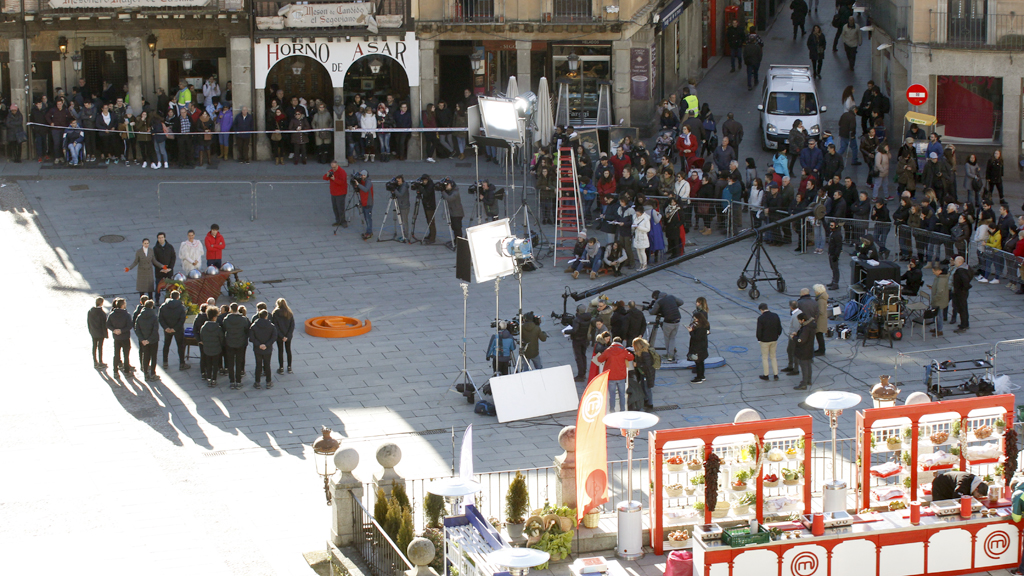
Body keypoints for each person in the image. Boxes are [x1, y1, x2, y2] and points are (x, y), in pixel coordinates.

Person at [597, 336, 633, 412]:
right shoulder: (623, 350)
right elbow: (631, 357)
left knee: (612, 395)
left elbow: (599, 359)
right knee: (622, 395)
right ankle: (622, 410)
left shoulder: (608, 350)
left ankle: (612, 410)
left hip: (610, 376)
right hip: (621, 376)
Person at [158, 290, 190, 370]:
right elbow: (182, 320)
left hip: (167, 330)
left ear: (170, 297)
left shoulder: (163, 306)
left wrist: (166, 328)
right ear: (178, 297)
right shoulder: (181, 307)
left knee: (166, 345)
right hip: (178, 330)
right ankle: (182, 363)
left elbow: (160, 318)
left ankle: (165, 362)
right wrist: (175, 328)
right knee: (180, 346)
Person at [221, 303, 250, 389]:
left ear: (230, 309)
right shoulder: (244, 319)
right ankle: (238, 381)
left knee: (230, 362)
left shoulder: (226, 319)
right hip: (240, 343)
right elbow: (247, 330)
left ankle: (231, 381)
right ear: (237, 309)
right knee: (239, 362)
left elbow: (224, 329)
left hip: (229, 343)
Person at [649, 290, 682, 363]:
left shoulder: (659, 301)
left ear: (655, 297)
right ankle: (671, 354)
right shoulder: (671, 297)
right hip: (677, 320)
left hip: (668, 322)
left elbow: (652, 312)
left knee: (667, 338)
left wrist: (649, 308)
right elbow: (681, 302)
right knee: (672, 338)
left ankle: (669, 355)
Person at [249, 309, 278, 389]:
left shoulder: (254, 326)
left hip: (257, 349)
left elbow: (251, 338)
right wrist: (267, 344)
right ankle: (268, 382)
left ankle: (257, 382)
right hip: (267, 349)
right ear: (266, 316)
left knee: (258, 365)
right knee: (267, 365)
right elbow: (274, 337)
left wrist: (259, 345)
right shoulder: (271, 326)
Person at [106, 297, 134, 376]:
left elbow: (108, 324)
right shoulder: (126, 315)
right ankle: (126, 371)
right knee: (126, 355)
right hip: (125, 337)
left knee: (116, 355)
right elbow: (129, 326)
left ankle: (115, 371)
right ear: (122, 305)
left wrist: (114, 330)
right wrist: (121, 330)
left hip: (117, 338)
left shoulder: (112, 314)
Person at [134, 300, 160, 382]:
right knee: (153, 356)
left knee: (145, 357)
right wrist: (149, 340)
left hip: (144, 341)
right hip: (153, 340)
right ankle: (153, 373)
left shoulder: (139, 316)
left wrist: (142, 339)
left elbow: (137, 329)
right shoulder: (154, 317)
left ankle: (146, 373)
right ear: (151, 306)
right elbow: (155, 330)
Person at [756, 303, 782, 380]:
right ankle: (775, 374)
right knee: (773, 357)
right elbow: (779, 328)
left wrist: (759, 339)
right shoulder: (775, 315)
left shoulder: (761, 318)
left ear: (761, 310)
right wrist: (777, 335)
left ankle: (766, 375)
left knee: (765, 358)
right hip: (774, 339)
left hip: (764, 341)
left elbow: (759, 331)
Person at [199, 307, 224, 387]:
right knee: (215, 365)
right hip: (216, 349)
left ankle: (209, 378)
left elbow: (202, 337)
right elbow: (221, 338)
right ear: (214, 317)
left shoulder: (203, 327)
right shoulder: (218, 328)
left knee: (208, 364)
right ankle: (214, 379)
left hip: (207, 349)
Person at [686, 307, 709, 384]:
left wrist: (690, 332)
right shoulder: (704, 325)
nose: (694, 319)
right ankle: (701, 376)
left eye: (695, 318)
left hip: (698, 348)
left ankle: (699, 377)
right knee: (701, 363)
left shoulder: (700, 328)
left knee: (698, 363)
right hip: (702, 347)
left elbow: (696, 338)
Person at [272, 298, 295, 375]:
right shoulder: (289, 312)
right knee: (288, 350)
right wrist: (287, 335)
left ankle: (281, 368)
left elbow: (275, 326)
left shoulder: (275, 313)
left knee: (280, 351)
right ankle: (289, 367)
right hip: (288, 336)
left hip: (279, 336)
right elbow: (292, 325)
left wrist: (281, 336)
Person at [632, 337, 656, 410]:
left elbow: (647, 365)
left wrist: (637, 364)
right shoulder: (641, 351)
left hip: (647, 373)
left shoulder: (645, 353)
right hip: (644, 373)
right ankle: (646, 401)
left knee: (647, 389)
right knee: (643, 387)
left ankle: (650, 404)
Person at [793, 313, 815, 390]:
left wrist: (794, 337)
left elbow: (801, 340)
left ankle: (804, 383)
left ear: (803, 320)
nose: (799, 321)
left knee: (804, 366)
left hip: (804, 350)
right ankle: (809, 380)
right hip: (809, 349)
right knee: (809, 365)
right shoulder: (811, 326)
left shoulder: (806, 328)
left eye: (799, 320)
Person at [928, 263, 950, 337]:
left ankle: (939, 330)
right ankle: (937, 328)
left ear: (938, 271)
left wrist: (934, 299)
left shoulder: (941, 279)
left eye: (934, 271)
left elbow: (940, 292)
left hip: (939, 301)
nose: (933, 272)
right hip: (939, 300)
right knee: (936, 315)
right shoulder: (939, 277)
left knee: (939, 316)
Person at [951, 255, 972, 333]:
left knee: (962, 308)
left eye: (955, 261)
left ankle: (964, 325)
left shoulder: (960, 271)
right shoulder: (967, 267)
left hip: (960, 292)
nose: (954, 263)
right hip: (963, 291)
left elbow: (965, 281)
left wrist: (963, 289)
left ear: (959, 262)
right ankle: (965, 323)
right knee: (963, 308)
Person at [324, 161, 348, 227]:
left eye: (334, 167)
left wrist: (334, 179)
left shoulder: (342, 172)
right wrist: (327, 175)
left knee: (340, 208)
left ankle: (343, 221)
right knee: (335, 207)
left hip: (340, 193)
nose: (333, 169)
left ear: (337, 165)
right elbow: (324, 178)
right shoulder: (331, 171)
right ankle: (338, 220)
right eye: (332, 167)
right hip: (333, 192)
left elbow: (342, 182)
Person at [88, 297, 108, 368]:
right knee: (100, 347)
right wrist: (105, 334)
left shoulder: (90, 311)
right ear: (101, 303)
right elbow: (104, 325)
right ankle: (100, 361)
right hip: (100, 333)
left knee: (94, 346)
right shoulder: (102, 313)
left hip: (93, 332)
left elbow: (88, 322)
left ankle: (95, 361)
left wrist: (90, 331)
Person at [826, 220, 843, 290]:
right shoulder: (832, 233)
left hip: (834, 254)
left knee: (835, 269)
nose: (830, 227)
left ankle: (836, 283)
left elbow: (839, 246)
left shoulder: (837, 234)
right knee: (833, 268)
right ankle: (833, 281)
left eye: (832, 225)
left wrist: (836, 255)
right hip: (831, 253)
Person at [813, 284, 829, 354]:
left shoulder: (821, 300)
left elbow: (821, 311)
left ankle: (821, 350)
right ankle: (821, 349)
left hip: (820, 320)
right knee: (819, 335)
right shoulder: (821, 298)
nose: (814, 292)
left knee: (819, 335)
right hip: (821, 320)